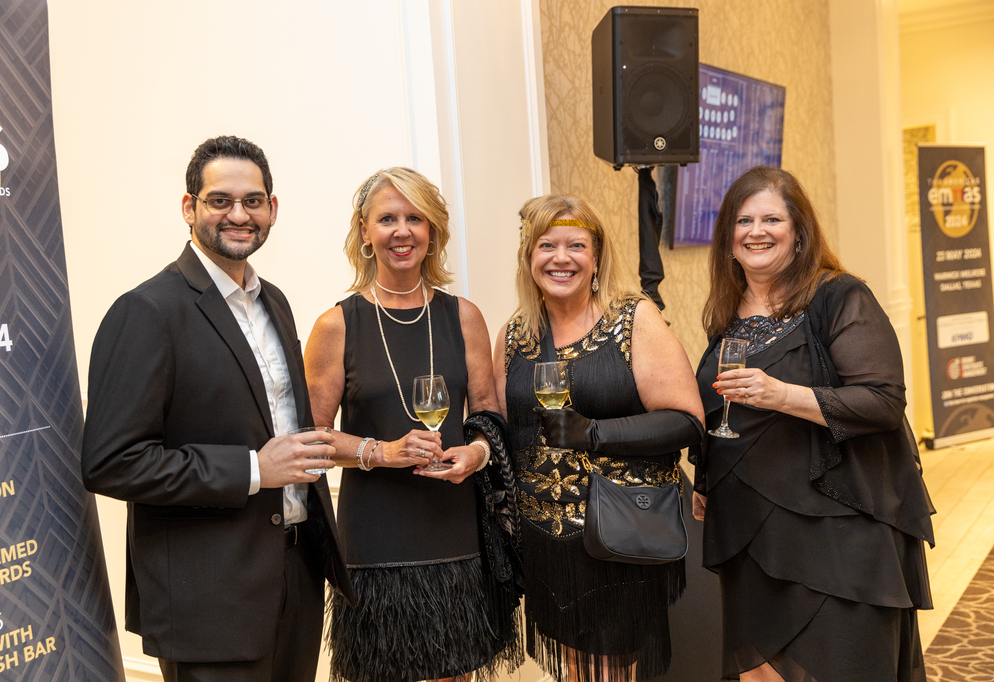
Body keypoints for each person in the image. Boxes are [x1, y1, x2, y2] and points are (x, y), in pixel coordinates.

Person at [81, 135, 353, 682]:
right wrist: (253, 469)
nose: (239, 215)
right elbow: (111, 462)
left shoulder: (274, 301)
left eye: (253, 201)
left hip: (295, 576)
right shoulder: (146, 311)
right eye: (220, 200)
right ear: (189, 207)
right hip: (207, 600)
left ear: (272, 209)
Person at [691, 166, 935, 682]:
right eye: (743, 221)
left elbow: (883, 401)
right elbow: (721, 410)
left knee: (840, 664)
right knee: (761, 672)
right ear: (728, 240)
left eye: (771, 219)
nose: (756, 231)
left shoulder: (839, 296)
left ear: (799, 232)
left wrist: (782, 395)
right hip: (751, 533)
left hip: (835, 528)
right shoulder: (727, 314)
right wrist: (705, 478)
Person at [303, 167, 521, 682]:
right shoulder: (337, 325)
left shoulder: (463, 316)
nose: (402, 231)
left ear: (432, 232)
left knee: (454, 674)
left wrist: (477, 453)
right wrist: (382, 452)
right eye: (387, 219)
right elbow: (311, 439)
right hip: (375, 536)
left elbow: (488, 413)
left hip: (453, 528)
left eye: (415, 219)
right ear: (364, 231)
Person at [494, 194, 705, 682]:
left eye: (576, 246)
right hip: (545, 542)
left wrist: (593, 433)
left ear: (596, 257)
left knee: (607, 670)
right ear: (529, 257)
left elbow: (687, 420)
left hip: (616, 531)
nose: (561, 258)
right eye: (547, 245)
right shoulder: (515, 334)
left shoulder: (631, 319)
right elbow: (503, 426)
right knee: (575, 668)